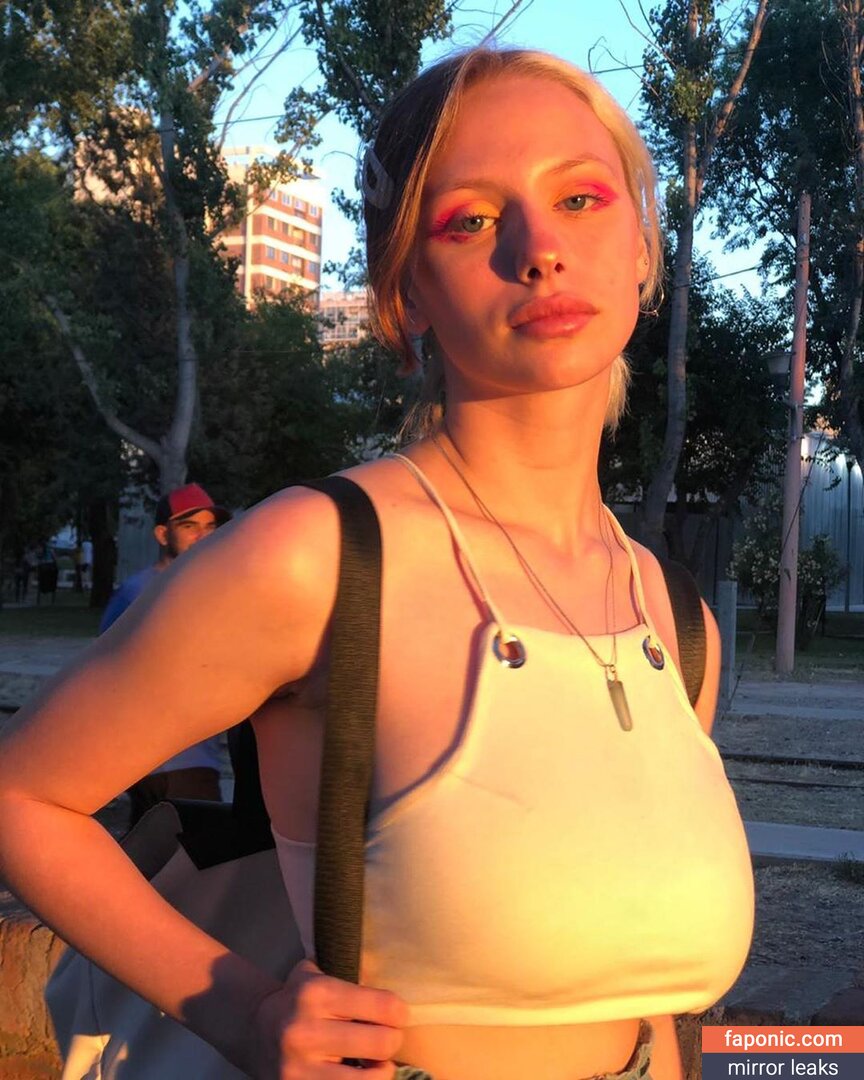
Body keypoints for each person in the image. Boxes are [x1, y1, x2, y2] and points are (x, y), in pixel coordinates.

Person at [0, 48, 754, 1080]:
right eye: (470, 220)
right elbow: (24, 797)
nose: (539, 250)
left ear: (642, 247)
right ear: (405, 296)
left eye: (580, 198)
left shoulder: (677, 622)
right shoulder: (317, 558)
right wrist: (244, 1013)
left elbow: (646, 1003)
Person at [100, 482, 232, 826]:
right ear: (162, 535)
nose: (203, 535)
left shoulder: (212, 589)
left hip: (185, 756)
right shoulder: (139, 593)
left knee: (149, 853)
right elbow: (103, 671)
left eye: (210, 526)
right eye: (189, 526)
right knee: (200, 850)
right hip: (175, 761)